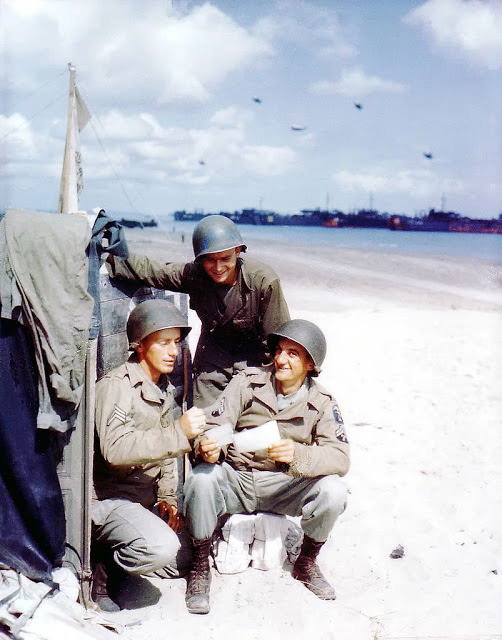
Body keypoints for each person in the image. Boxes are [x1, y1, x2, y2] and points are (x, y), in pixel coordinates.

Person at [182, 319, 350, 614]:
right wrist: (209, 446)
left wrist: (299, 455)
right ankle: (199, 565)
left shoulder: (323, 402)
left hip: (285, 485)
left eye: (293, 354)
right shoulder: (248, 381)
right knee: (201, 479)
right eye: (280, 350)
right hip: (238, 478)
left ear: (311, 364)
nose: (281, 359)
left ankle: (306, 562)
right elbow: (217, 422)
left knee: (334, 491)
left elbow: (340, 457)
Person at [91, 299, 206, 612]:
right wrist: (179, 433)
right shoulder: (117, 387)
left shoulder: (162, 387)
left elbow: (167, 457)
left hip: (142, 500)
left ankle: (129, 551)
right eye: (163, 343)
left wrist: (167, 499)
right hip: (109, 501)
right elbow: (115, 450)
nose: (173, 351)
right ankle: (102, 570)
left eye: (177, 343)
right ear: (140, 346)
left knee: (182, 557)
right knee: (160, 548)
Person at [107, 215, 290, 407]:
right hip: (213, 357)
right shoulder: (195, 275)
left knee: (254, 421)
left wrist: (276, 383)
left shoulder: (263, 282)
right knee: (204, 422)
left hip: (255, 360)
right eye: (210, 260)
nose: (218, 267)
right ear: (200, 260)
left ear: (238, 251)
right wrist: (111, 257)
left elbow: (280, 341)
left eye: (225, 259)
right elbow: (155, 271)